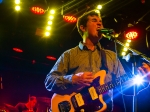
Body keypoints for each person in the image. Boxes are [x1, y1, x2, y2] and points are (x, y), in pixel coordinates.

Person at [44, 9, 150, 112]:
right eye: (94, 21)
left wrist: (145, 79)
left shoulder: (111, 56)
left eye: (101, 22)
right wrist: (73, 79)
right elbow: (49, 82)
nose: (100, 24)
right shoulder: (69, 55)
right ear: (83, 28)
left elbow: (126, 89)